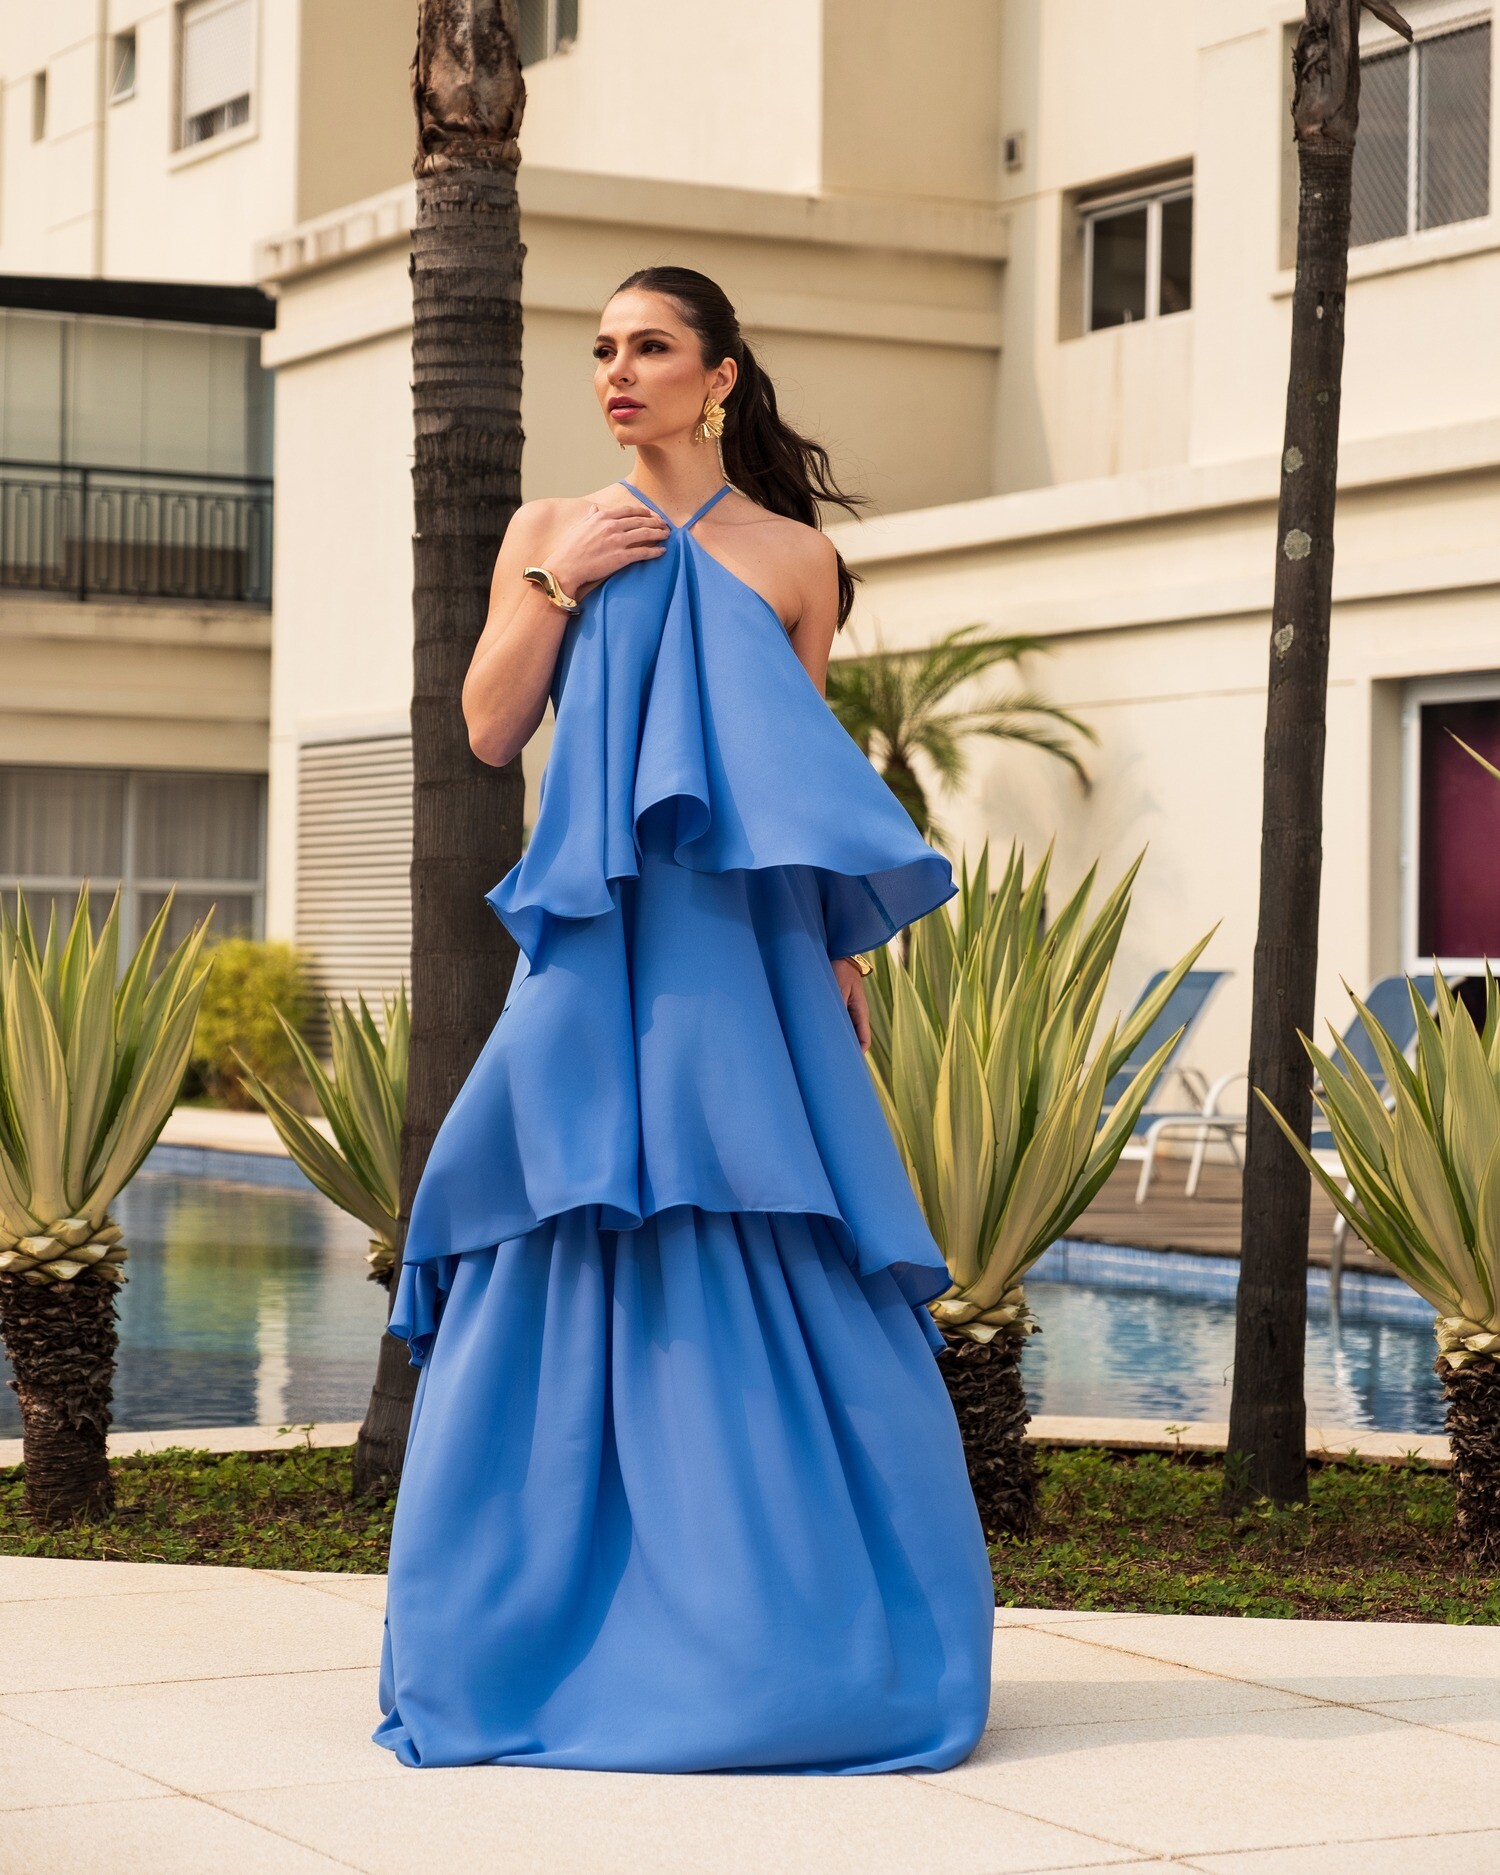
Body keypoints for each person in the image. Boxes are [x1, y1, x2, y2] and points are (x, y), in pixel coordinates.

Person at [373, 265, 994, 1773]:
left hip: (744, 954)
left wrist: (839, 965)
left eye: (650, 347)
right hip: (595, 940)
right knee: (557, 1201)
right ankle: (518, 1642)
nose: (617, 371)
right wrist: (559, 572)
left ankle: (794, 1640)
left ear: (721, 376)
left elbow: (799, 781)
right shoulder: (548, 532)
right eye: (601, 350)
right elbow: (487, 727)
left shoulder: (798, 562)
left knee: (770, 1219)